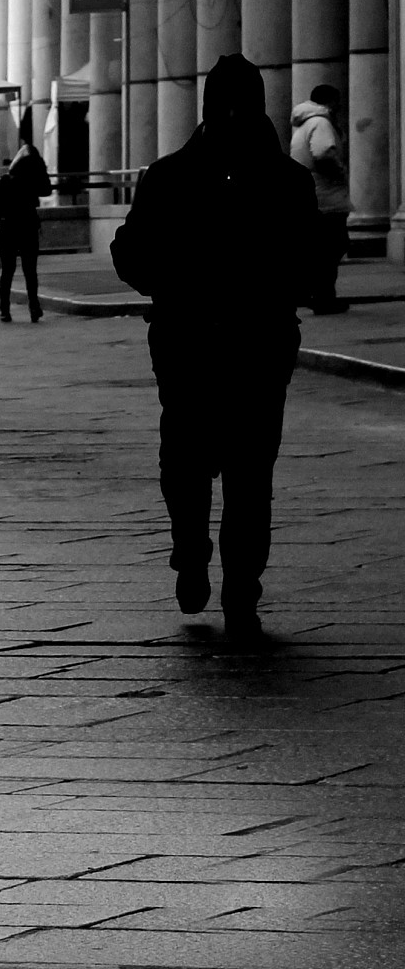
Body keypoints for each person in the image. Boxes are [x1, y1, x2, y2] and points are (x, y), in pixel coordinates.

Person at [112, 53, 320, 637]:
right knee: (226, 469)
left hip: (204, 345)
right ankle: (216, 571)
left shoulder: (175, 175)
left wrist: (166, 288)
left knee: (215, 465)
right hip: (227, 346)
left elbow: (129, 252)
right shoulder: (281, 179)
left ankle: (220, 572)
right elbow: (313, 261)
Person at [289, 82, 350, 314]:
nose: (341, 105)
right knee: (332, 247)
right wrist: (339, 170)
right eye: (338, 100)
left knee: (319, 249)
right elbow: (323, 152)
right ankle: (324, 298)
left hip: (312, 194)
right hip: (325, 195)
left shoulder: (304, 124)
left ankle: (315, 294)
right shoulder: (321, 122)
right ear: (331, 101)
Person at [0, 139, 50, 322]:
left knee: (12, 270)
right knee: (26, 271)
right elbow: (46, 189)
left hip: (14, 229)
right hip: (21, 228)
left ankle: (9, 309)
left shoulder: (12, 182)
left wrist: (0, 221)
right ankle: (28, 306)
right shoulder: (18, 183)